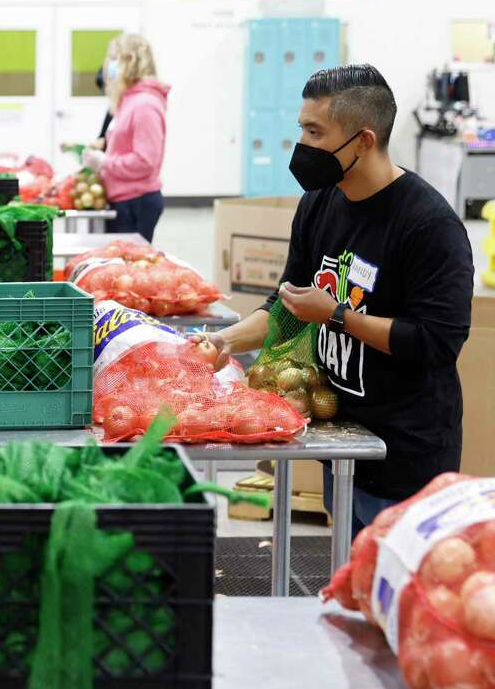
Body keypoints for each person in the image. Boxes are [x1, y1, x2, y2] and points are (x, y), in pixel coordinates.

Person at [194, 64, 474, 537]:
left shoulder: (428, 226)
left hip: (405, 452)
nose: (302, 145)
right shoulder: (320, 202)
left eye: (314, 132)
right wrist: (227, 339)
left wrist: (338, 316)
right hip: (341, 437)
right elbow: (287, 301)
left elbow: (435, 341)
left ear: (363, 141)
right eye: (301, 129)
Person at [81, 34, 169, 242]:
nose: (108, 65)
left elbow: (145, 161)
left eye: (114, 58)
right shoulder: (128, 101)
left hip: (136, 201)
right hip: (123, 198)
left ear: (130, 61)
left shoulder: (144, 105)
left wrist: (105, 162)